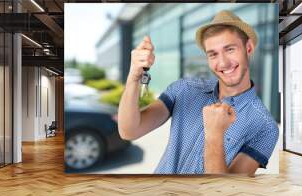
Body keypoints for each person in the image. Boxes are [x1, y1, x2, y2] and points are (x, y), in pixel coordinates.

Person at [118, 10, 279, 175]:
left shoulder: (265, 126)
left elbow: (224, 192)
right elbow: (129, 131)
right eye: (213, 54)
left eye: (230, 49)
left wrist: (215, 135)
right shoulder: (184, 89)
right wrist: (133, 77)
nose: (223, 63)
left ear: (249, 48)